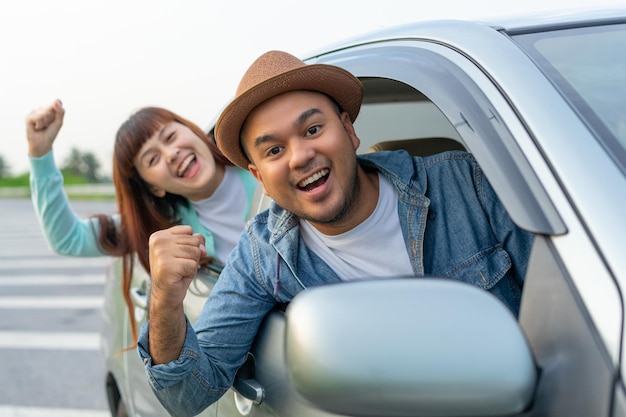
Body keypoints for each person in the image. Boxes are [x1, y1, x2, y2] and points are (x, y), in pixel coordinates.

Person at [137, 50, 535, 416]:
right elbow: (186, 396)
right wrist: (165, 299)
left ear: (348, 129)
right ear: (259, 177)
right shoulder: (263, 255)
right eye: (273, 151)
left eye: (312, 130)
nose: (300, 156)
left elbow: (573, 322)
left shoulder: (467, 185)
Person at [25, 100, 258, 347]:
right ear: (154, 187)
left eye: (170, 136)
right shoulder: (167, 226)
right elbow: (68, 239)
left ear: (191, 130)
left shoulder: (266, 162)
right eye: (152, 159)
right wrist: (40, 155)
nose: (171, 154)